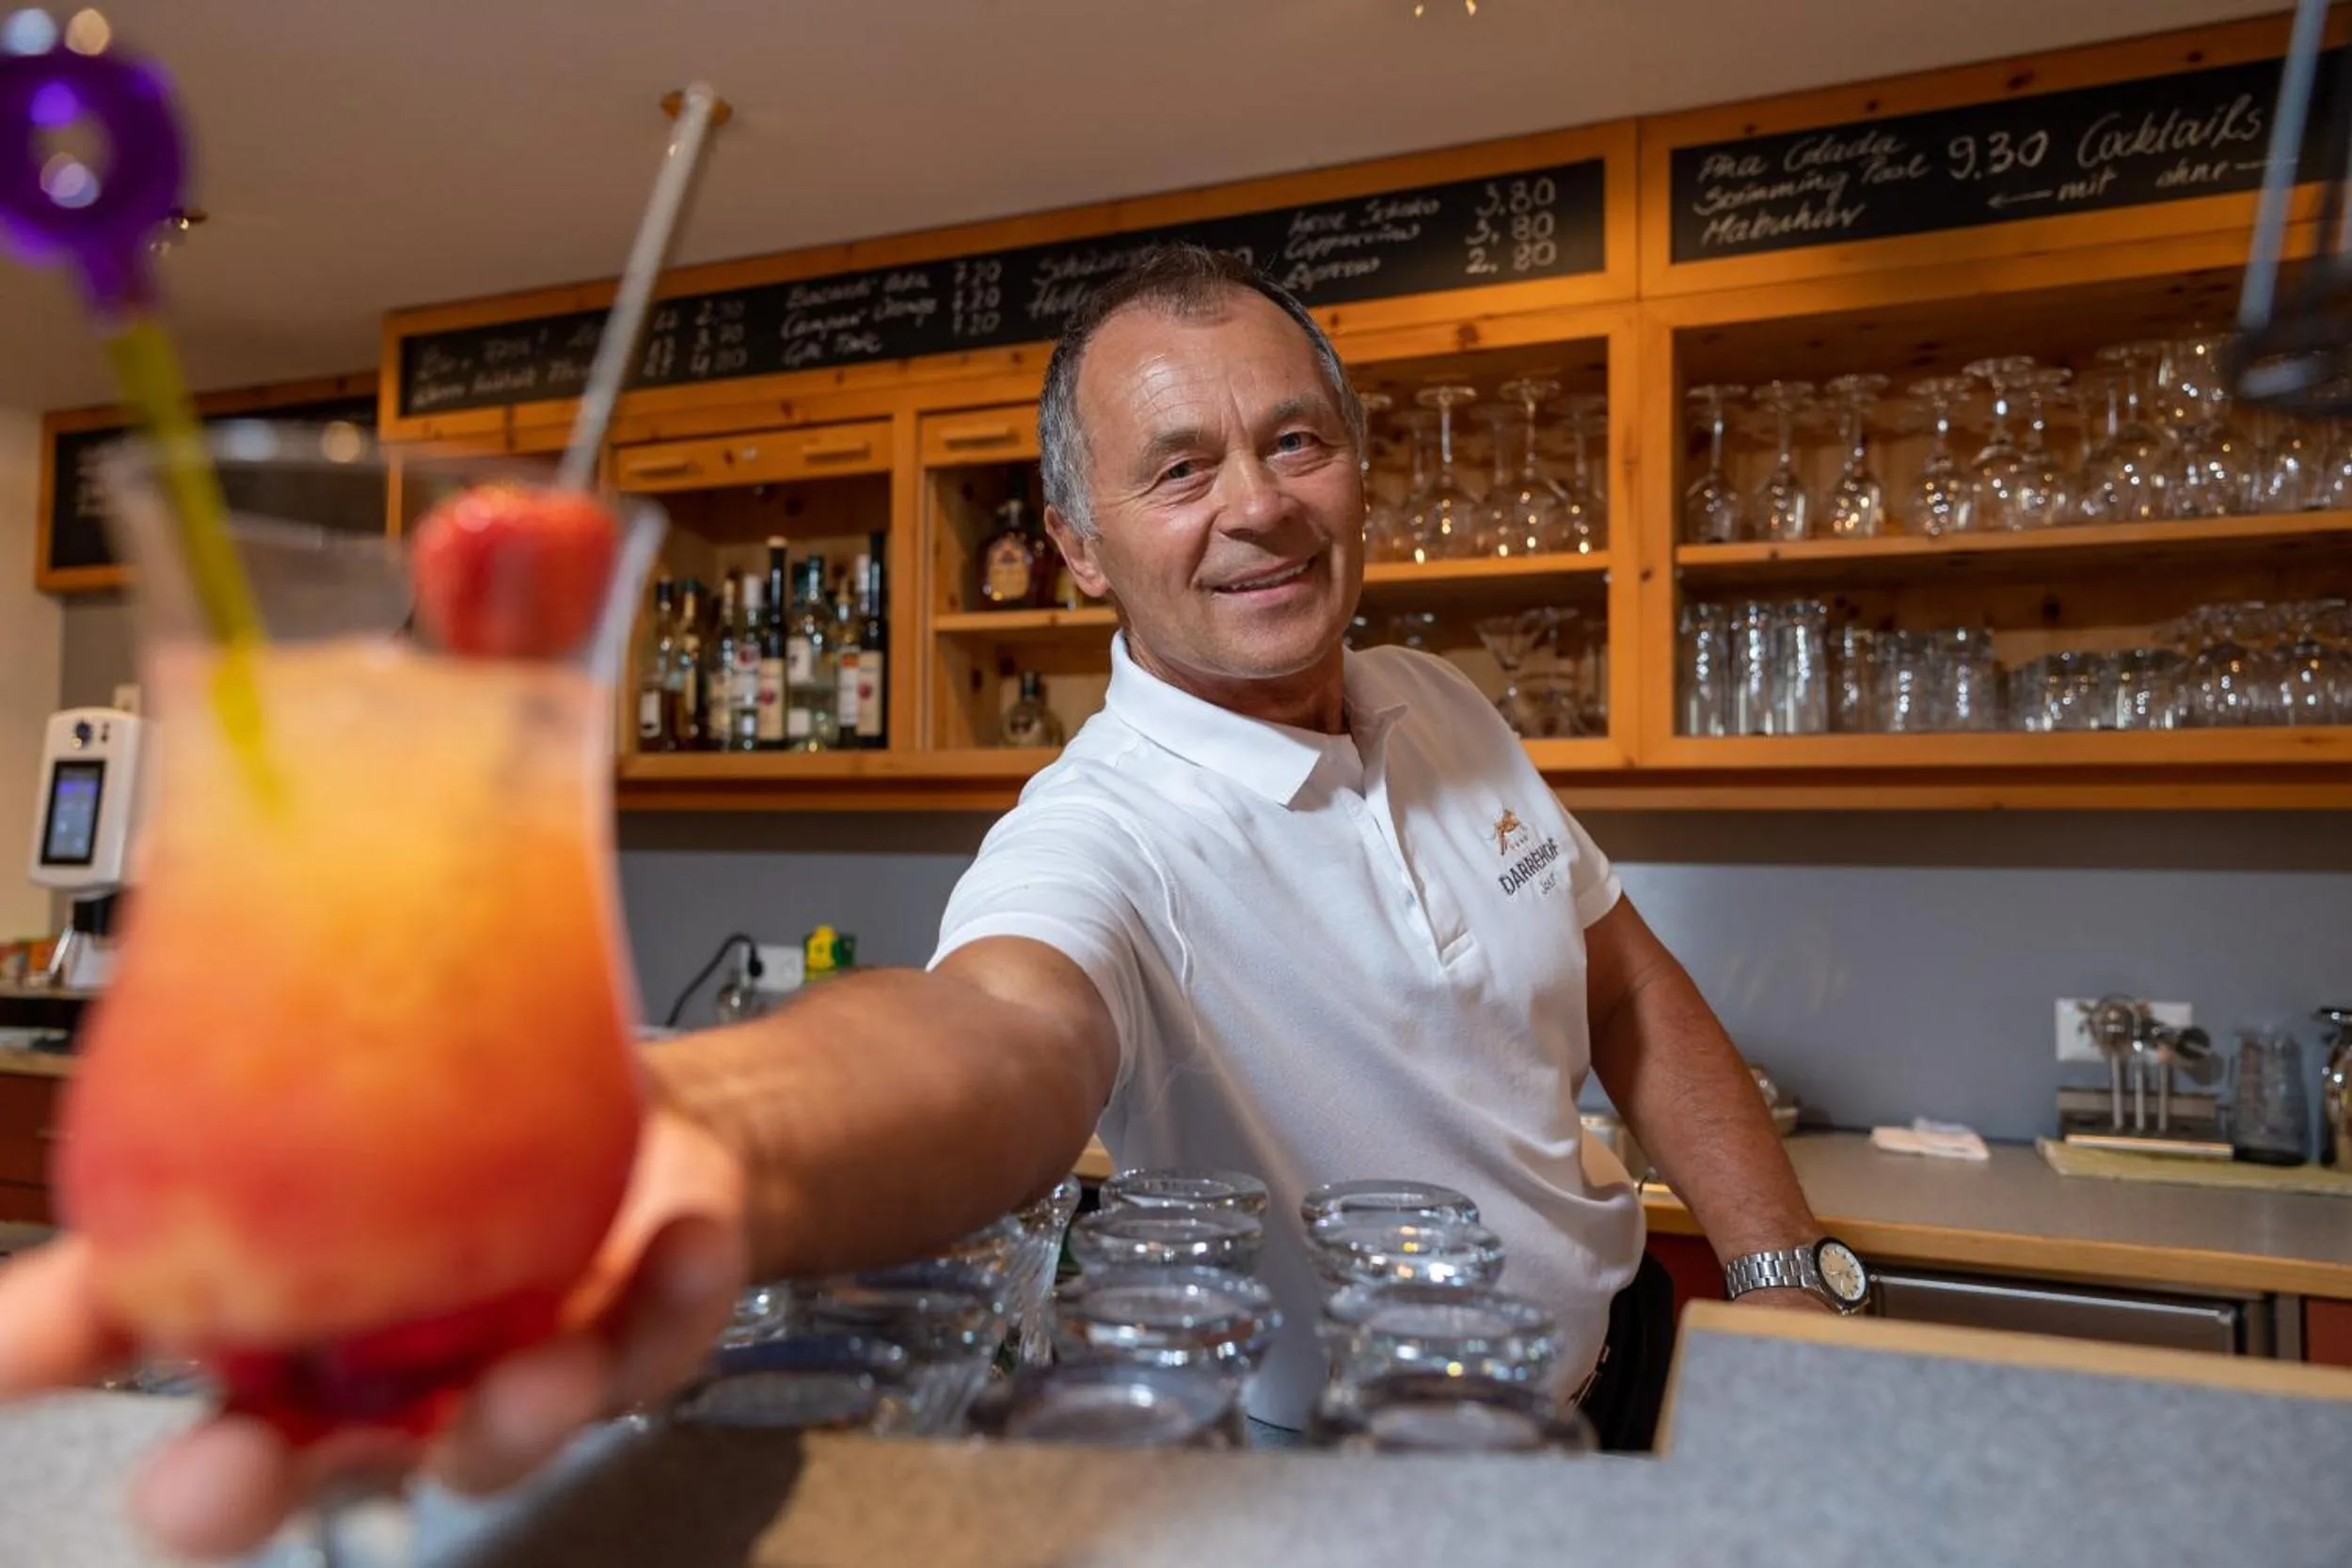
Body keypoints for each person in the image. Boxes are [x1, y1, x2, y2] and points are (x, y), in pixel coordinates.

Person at [0, 245, 1840, 1559]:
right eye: (1179, 468)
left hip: (1617, 1386)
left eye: (1295, 441)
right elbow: (993, 1037)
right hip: (1343, 1481)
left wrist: (1781, 1288)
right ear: (1077, 546)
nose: (1260, 506)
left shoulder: (1441, 701)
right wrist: (680, 1130)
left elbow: (1626, 988)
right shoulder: (1098, 828)